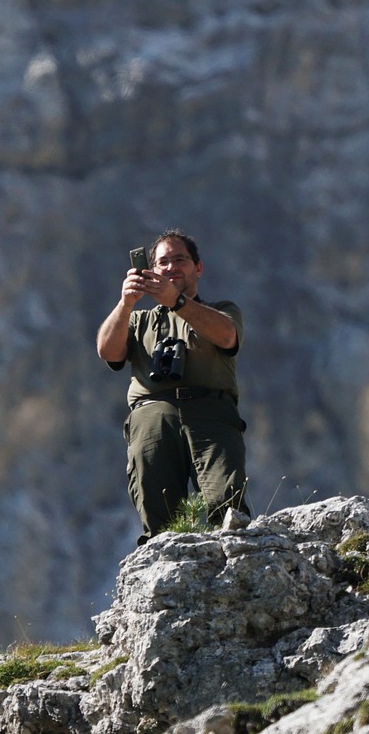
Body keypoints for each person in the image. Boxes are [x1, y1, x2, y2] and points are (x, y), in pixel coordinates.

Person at [96, 228, 251, 545]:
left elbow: (226, 336)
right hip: (152, 418)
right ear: (151, 270)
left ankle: (238, 568)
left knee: (227, 504)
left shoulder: (221, 310)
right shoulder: (138, 321)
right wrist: (126, 303)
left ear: (198, 268)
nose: (171, 268)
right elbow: (107, 351)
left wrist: (177, 302)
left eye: (180, 260)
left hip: (210, 413)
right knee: (158, 515)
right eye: (163, 262)